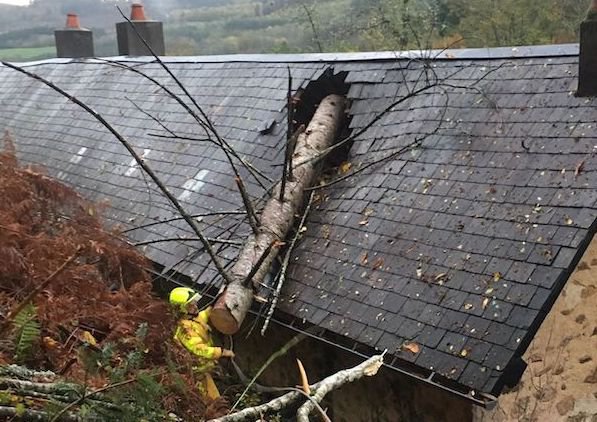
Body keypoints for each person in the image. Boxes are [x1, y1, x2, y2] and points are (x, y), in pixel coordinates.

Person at [169, 287, 234, 400]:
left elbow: (202, 316)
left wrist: (215, 305)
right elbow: (200, 350)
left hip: (205, 368)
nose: (195, 306)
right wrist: (222, 352)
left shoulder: (192, 319)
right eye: (190, 305)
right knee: (212, 400)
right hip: (197, 373)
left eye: (194, 303)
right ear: (182, 309)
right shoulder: (185, 330)